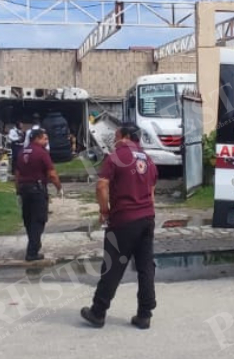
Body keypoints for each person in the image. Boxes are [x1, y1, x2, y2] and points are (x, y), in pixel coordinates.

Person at [81, 122, 159, 330]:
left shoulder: (115, 157)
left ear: (124, 135)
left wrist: (104, 210)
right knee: (145, 267)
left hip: (124, 219)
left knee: (113, 267)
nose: (114, 140)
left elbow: (101, 185)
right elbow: (151, 193)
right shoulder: (148, 160)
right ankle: (144, 314)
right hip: (146, 219)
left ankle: (98, 311)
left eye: (116, 136)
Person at [14, 128, 62, 262]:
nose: (46, 141)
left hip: (24, 189)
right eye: (44, 139)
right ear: (37, 138)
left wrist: (18, 190)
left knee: (28, 218)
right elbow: (52, 174)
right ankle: (32, 252)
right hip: (37, 189)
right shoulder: (42, 153)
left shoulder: (21, 152)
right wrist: (59, 187)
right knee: (39, 219)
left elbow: (17, 174)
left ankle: (34, 243)